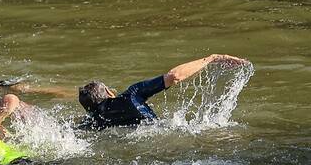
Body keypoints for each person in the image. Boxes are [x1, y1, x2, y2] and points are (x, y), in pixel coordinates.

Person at [77, 54, 249, 130]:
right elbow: (174, 76)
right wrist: (211, 59)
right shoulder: (131, 96)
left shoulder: (93, 121)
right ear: (108, 92)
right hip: (167, 133)